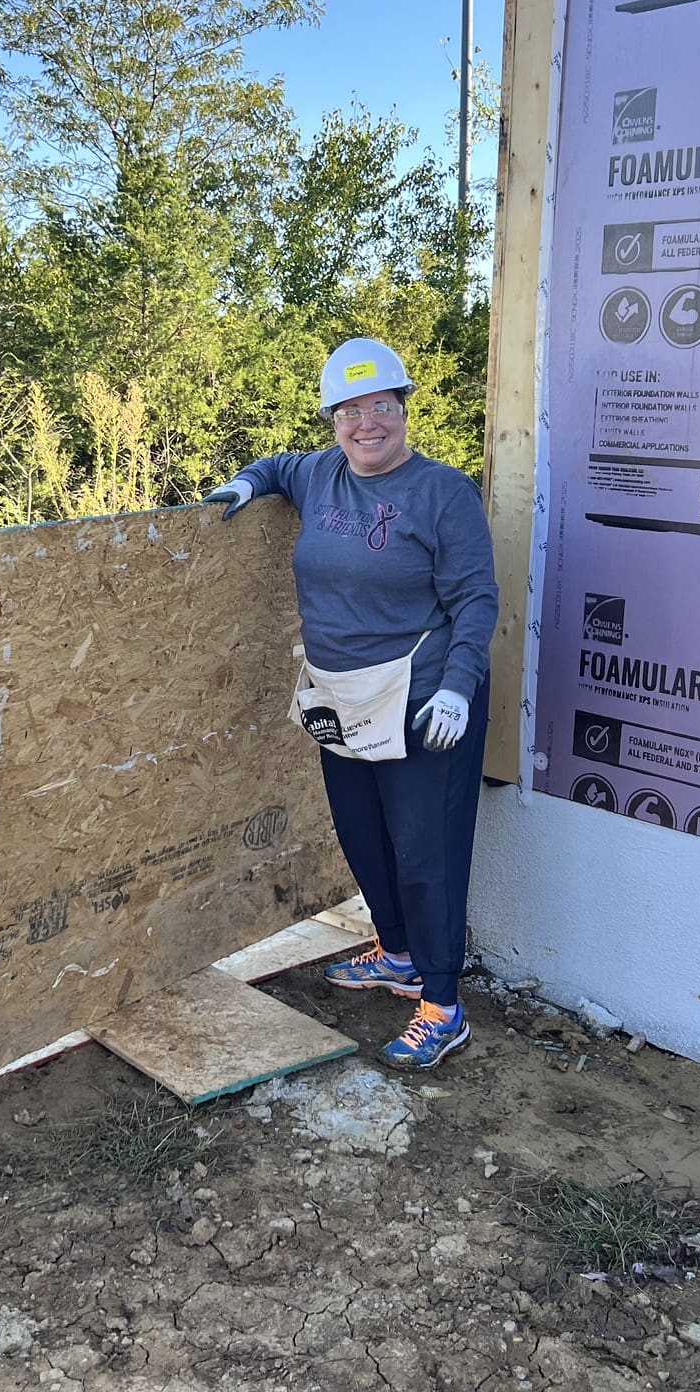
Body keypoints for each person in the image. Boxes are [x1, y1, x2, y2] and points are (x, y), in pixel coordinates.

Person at [205, 338, 498, 1069]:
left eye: (380, 407)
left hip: (422, 697)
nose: (366, 424)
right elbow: (276, 466)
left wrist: (460, 685)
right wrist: (246, 485)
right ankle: (396, 953)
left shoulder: (443, 493)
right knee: (363, 834)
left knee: (426, 852)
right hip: (341, 693)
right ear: (334, 421)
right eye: (349, 411)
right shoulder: (321, 474)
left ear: (402, 409)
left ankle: (443, 1002)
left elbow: (476, 598)